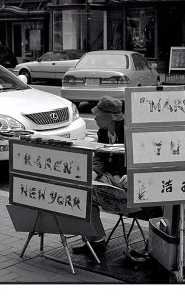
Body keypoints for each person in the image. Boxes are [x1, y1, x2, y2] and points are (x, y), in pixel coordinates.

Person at [72, 96, 127, 255]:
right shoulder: (103, 131)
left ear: (110, 117)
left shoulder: (127, 130)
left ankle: (95, 241)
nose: (94, 117)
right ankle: (95, 240)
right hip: (109, 176)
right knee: (81, 190)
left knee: (85, 193)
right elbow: (100, 156)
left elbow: (141, 155)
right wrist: (93, 174)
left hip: (123, 179)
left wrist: (133, 174)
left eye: (98, 114)